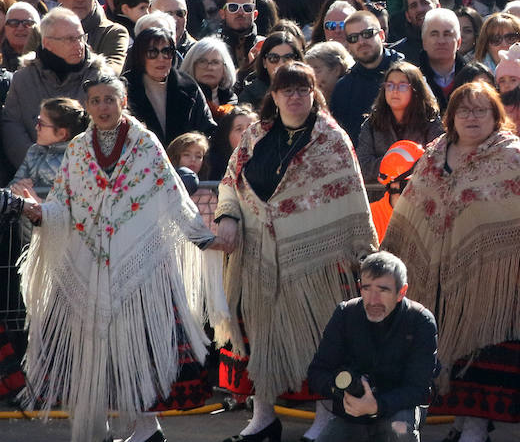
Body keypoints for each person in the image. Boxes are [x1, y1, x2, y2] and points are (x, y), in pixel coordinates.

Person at [12, 74, 223, 442]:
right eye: (95, 100)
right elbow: (63, 203)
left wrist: (204, 238)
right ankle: (124, 429)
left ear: (123, 102)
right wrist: (38, 212)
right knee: (97, 352)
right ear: (88, 105)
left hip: (140, 269)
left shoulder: (145, 144)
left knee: (139, 348)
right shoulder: (77, 149)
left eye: (110, 99)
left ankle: (145, 427)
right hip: (87, 262)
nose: (103, 107)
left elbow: (172, 195)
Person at [381, 81, 520, 441]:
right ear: (451, 117)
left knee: (482, 355)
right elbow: (410, 210)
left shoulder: (512, 157)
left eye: (481, 110)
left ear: (496, 116)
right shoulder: (434, 155)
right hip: (441, 276)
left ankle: (473, 427)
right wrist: (389, 254)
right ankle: (460, 424)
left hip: (498, 283)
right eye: (464, 110)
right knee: (445, 353)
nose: (472, 117)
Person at [214, 62, 379, 442]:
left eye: (302, 89)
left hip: (315, 262)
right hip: (256, 256)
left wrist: (362, 252)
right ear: (272, 96)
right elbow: (229, 183)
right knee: (260, 339)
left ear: (314, 93)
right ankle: (263, 418)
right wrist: (228, 216)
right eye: (286, 90)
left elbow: (351, 197)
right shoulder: (256, 135)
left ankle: (324, 420)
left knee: (321, 339)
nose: (294, 96)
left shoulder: (331, 140)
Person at [306, 252, 438, 442]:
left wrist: (377, 405)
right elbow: (317, 372)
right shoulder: (346, 314)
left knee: (400, 430)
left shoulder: (420, 321)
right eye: (366, 289)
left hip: (397, 410)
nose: (373, 300)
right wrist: (342, 391)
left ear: (401, 292)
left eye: (383, 290)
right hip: (351, 414)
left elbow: (418, 389)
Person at [1, 8, 109, 169]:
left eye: (81, 37)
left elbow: (109, 129)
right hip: (33, 175)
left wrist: (76, 169)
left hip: (89, 174)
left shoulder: (101, 78)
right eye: (70, 39)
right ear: (47, 44)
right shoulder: (23, 79)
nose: (79, 45)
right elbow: (12, 129)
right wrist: (39, 166)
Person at [124, 24, 218, 146]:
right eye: (152, 53)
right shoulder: (125, 87)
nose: (161, 58)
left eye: (166, 52)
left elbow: (207, 129)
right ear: (140, 56)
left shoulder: (188, 86)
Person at [355, 61, 444, 181]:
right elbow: (363, 167)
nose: (394, 91)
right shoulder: (371, 123)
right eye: (390, 85)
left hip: (418, 194)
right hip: (380, 195)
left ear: (415, 90)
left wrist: (391, 165)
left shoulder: (431, 121)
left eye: (402, 86)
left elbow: (437, 162)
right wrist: (400, 161)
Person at [330, 9, 403, 142]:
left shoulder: (408, 73)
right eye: (353, 38)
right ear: (348, 46)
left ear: (382, 35)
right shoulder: (343, 88)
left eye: (367, 34)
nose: (361, 41)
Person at [7, 96, 86, 192]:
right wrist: (18, 186)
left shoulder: (75, 159)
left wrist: (35, 193)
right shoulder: (34, 151)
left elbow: (69, 198)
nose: (36, 127)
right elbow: (11, 186)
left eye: (41, 124)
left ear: (61, 133)